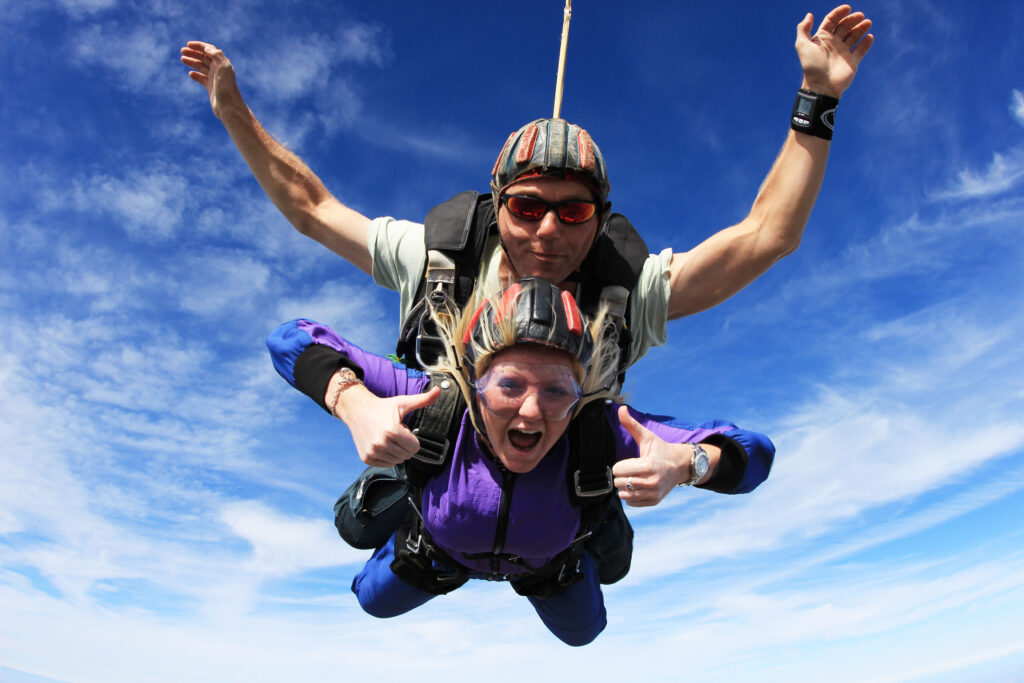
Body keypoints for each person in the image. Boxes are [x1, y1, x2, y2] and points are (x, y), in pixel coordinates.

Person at [180, 5, 873, 478]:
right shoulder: (441, 259)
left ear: (601, 220)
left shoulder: (627, 287)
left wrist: (818, 98)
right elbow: (310, 208)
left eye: (574, 214)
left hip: (562, 464)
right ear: (496, 202)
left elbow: (767, 237)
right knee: (381, 577)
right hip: (440, 447)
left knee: (580, 617)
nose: (547, 230)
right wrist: (233, 109)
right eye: (528, 206)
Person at [267, 277, 775, 645]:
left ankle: (596, 516)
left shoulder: (601, 425)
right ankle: (405, 494)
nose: (531, 410)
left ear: (581, 394)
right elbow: (291, 338)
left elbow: (754, 455)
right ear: (473, 382)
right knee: (370, 603)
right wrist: (353, 402)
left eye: (558, 389)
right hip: (438, 555)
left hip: (549, 567)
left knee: (585, 635)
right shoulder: (432, 399)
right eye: (508, 384)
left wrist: (687, 464)